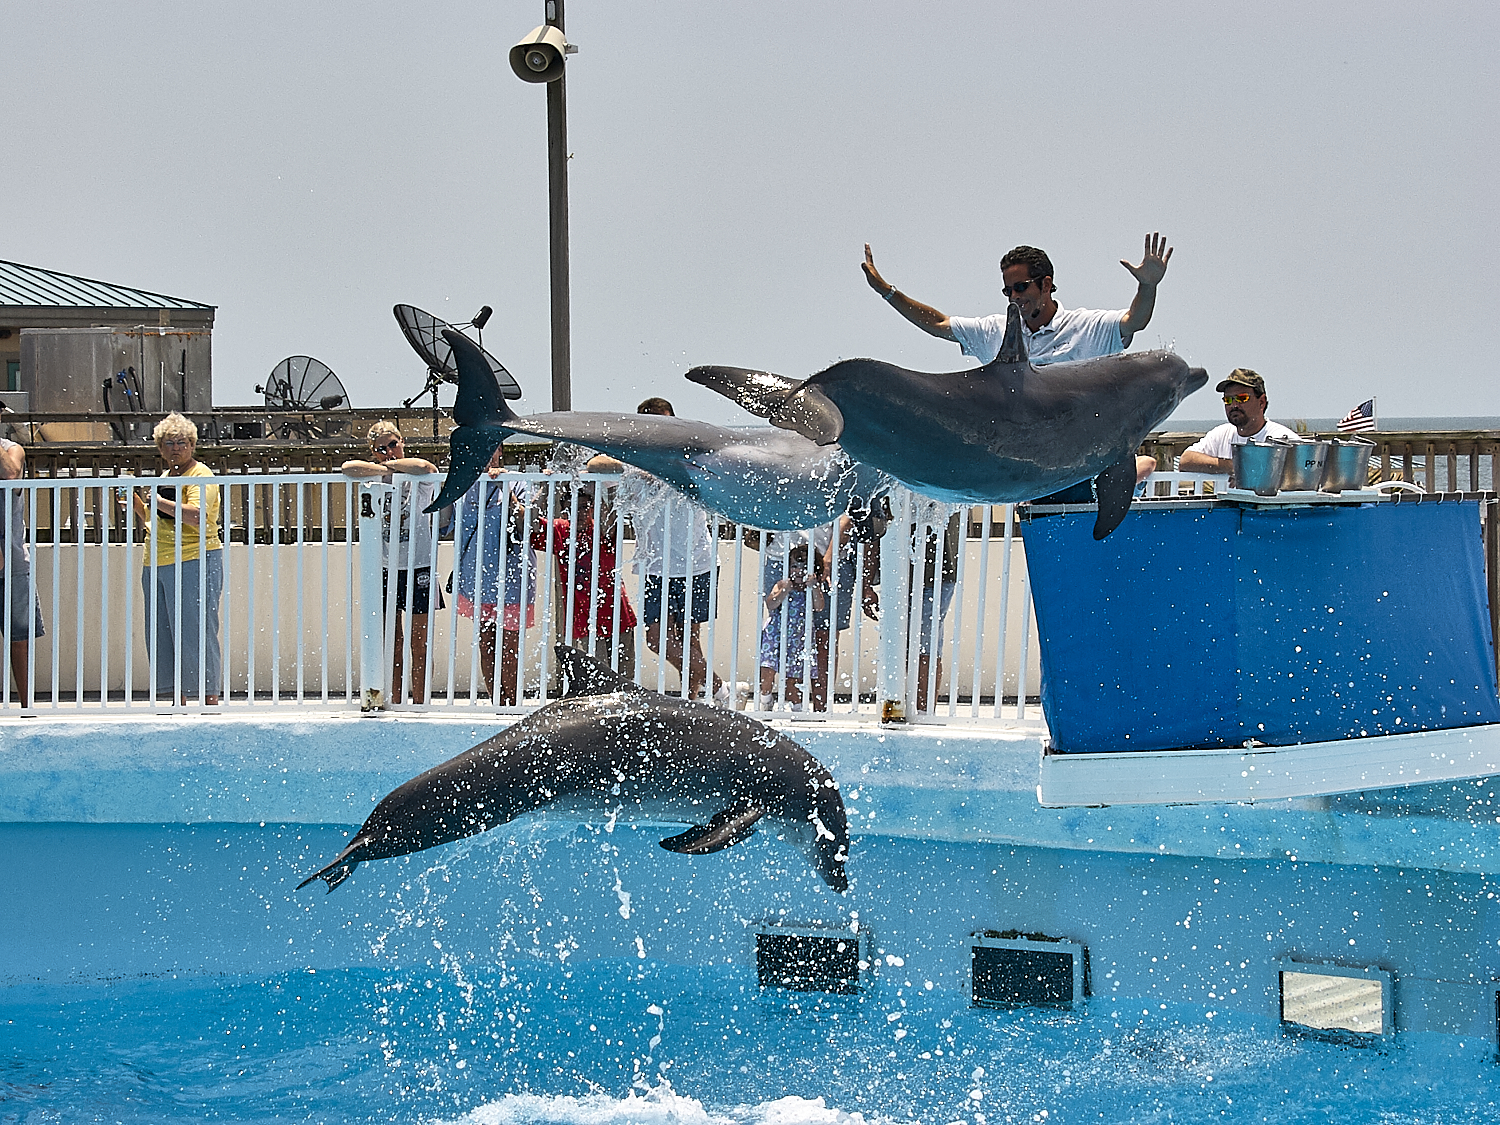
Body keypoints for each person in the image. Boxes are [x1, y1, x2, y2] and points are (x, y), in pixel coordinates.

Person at [863, 234, 1174, 484]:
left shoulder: (1086, 327)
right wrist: (887, 292)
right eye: (1008, 290)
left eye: (1021, 287)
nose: (1014, 297)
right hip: (1027, 469)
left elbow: (1135, 320)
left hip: (1081, 463)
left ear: (1047, 284)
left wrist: (1147, 285)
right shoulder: (995, 330)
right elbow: (939, 324)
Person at [589, 397, 731, 705]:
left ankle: (691, 703)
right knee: (657, 639)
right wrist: (639, 468)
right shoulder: (633, 461)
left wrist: (661, 471)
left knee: (690, 641)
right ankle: (721, 687)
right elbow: (595, 464)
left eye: (664, 423)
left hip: (696, 563)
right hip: (655, 566)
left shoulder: (686, 455)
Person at [342, 421, 442, 705]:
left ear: (402, 442)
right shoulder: (376, 477)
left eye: (392, 444)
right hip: (387, 569)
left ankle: (421, 703)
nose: (388, 451)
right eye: (380, 449)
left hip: (419, 566)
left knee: (418, 643)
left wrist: (394, 465)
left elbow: (426, 467)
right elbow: (347, 468)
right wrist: (387, 468)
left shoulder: (415, 475)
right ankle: (395, 700)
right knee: (392, 643)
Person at [128, 413, 223, 705]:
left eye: (181, 442)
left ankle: (208, 700)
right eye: (168, 443)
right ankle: (176, 700)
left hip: (194, 558)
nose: (175, 448)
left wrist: (157, 501)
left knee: (196, 630)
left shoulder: (200, 475)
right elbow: (153, 519)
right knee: (161, 635)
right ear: (160, 448)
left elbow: (196, 515)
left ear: (192, 445)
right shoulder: (165, 478)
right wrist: (135, 502)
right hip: (156, 561)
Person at [451, 450, 541, 706]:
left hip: (513, 579)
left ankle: (511, 705)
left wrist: (506, 489)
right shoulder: (464, 483)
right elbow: (447, 523)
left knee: (509, 648)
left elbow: (528, 524)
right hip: (477, 580)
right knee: (487, 645)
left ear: (499, 449)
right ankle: (496, 704)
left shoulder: (518, 480)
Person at [547, 479, 638, 679]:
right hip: (586, 623)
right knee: (599, 679)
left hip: (618, 617)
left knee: (625, 679)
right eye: (572, 508)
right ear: (564, 511)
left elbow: (612, 518)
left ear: (592, 508)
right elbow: (529, 522)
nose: (578, 513)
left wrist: (600, 487)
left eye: (583, 507)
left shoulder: (600, 529)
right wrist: (547, 483)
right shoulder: (560, 531)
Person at [1177, 369, 1299, 476]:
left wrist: (1247, 474)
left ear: (1261, 402)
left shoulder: (1284, 439)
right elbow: (1185, 461)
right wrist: (1233, 466)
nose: (1234, 405)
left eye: (1242, 398)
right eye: (1228, 400)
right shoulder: (1220, 435)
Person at [0, 435, 44, 707]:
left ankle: (27, 707)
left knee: (20, 638)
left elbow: (10, 474)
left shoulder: (11, 449)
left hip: (13, 559)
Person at [758, 542, 825, 710]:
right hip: (775, 635)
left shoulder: (810, 589)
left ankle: (797, 706)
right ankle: (766, 700)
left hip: (798, 639)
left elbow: (819, 606)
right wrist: (783, 591)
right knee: (767, 670)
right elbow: (771, 604)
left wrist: (814, 586)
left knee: (793, 678)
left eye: (804, 566)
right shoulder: (782, 584)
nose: (798, 570)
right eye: (794, 566)